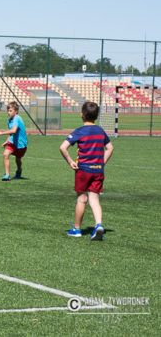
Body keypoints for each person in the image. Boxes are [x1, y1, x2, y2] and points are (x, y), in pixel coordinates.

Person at [59, 101, 114, 241]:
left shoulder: (79, 131)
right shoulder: (100, 131)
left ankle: (77, 229)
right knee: (94, 199)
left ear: (82, 115)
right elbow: (110, 148)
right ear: (96, 116)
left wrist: (70, 161)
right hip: (98, 170)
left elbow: (63, 147)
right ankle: (98, 225)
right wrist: (102, 162)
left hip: (83, 170)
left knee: (82, 199)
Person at [0, 101, 28, 181]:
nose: (9, 112)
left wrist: (2, 133)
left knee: (18, 159)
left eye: (11, 111)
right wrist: (7, 141)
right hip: (13, 142)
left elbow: (14, 130)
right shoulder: (9, 121)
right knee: (5, 154)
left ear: (16, 111)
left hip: (21, 144)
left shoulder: (17, 119)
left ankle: (19, 170)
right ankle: (7, 175)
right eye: (8, 111)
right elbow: (11, 133)